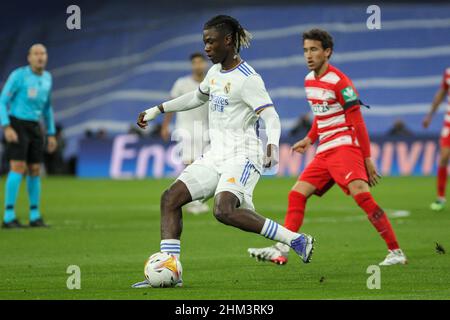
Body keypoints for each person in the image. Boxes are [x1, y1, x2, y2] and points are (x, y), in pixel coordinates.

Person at [132, 15, 315, 288]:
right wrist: (159, 109)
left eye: (210, 41)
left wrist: (272, 145)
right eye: (204, 42)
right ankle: (172, 269)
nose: (206, 48)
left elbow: (272, 117)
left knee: (223, 210)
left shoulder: (248, 79)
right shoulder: (215, 73)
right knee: (170, 198)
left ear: (227, 41)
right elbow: (196, 97)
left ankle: (295, 240)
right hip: (216, 154)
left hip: (243, 154)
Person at [248, 29, 407, 266]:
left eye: (313, 49)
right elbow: (321, 117)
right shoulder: (309, 80)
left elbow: (357, 121)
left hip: (345, 148)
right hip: (325, 151)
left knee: (362, 196)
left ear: (327, 52)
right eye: (305, 50)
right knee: (296, 194)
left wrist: (368, 158)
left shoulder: (340, 82)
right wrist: (309, 139)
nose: (308, 55)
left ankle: (396, 252)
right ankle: (282, 250)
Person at [0, 44, 57, 228]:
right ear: (29, 57)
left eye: (43, 53)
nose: (40, 57)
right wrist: (6, 126)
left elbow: (47, 108)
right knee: (17, 167)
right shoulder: (19, 76)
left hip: (35, 126)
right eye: (36, 54)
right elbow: (2, 101)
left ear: (46, 57)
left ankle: (35, 215)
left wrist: (51, 133)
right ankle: (8, 216)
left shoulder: (48, 78)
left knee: (34, 169)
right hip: (17, 124)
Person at [160, 52, 210, 214]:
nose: (198, 66)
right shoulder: (181, 83)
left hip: (205, 129)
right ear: (191, 65)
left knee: (205, 165)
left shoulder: (211, 82)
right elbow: (171, 104)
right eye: (195, 63)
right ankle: (191, 200)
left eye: (200, 62)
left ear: (205, 64)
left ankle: (194, 198)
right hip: (185, 128)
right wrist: (165, 126)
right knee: (189, 163)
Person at [423, 67, 450, 211]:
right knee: (444, 156)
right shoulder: (448, 73)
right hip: (449, 122)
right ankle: (440, 197)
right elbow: (441, 94)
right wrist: (429, 116)